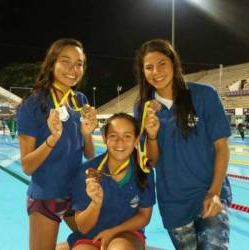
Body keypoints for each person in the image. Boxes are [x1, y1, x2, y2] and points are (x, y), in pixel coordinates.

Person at [134, 39, 232, 250]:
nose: (156, 71)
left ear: (173, 63)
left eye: (162, 63)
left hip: (208, 194)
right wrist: (151, 135)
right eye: (148, 67)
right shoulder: (143, 108)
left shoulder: (204, 95)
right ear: (143, 71)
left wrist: (214, 192)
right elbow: (151, 162)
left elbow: (221, 147)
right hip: (174, 204)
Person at [17, 38, 97, 250]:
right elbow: (27, 166)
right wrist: (52, 139)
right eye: (65, 61)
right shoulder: (32, 104)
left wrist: (87, 134)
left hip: (76, 194)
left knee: (98, 241)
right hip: (46, 197)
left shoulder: (80, 101)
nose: (73, 69)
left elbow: (90, 154)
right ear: (52, 63)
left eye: (79, 63)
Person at [64, 113, 156, 250]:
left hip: (127, 234)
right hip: (90, 236)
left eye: (127, 136)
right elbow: (83, 227)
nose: (120, 142)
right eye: (113, 136)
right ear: (104, 138)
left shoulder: (143, 170)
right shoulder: (87, 172)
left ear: (136, 139)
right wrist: (95, 204)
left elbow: (144, 216)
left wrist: (113, 231)